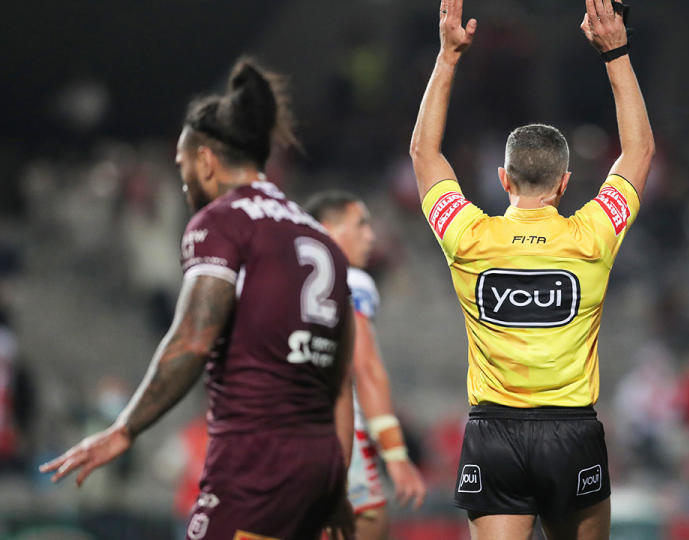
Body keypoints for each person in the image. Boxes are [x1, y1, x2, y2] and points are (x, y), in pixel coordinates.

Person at [39, 58, 357, 540]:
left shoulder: (221, 222)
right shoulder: (321, 240)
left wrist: (124, 429)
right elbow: (337, 385)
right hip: (318, 465)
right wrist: (335, 486)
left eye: (182, 166)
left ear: (205, 160)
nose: (183, 182)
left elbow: (192, 340)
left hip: (254, 462)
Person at [409, 0, 654, 538]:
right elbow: (638, 150)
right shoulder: (593, 235)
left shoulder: (469, 237)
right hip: (571, 432)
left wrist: (448, 57)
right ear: (566, 183)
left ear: (503, 178)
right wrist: (616, 52)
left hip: (493, 432)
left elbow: (424, 154)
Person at [307, 191, 427, 540]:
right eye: (360, 226)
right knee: (369, 524)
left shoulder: (282, 281)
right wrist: (396, 455)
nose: (371, 237)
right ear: (328, 230)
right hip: (338, 431)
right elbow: (366, 366)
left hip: (284, 430)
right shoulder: (351, 281)